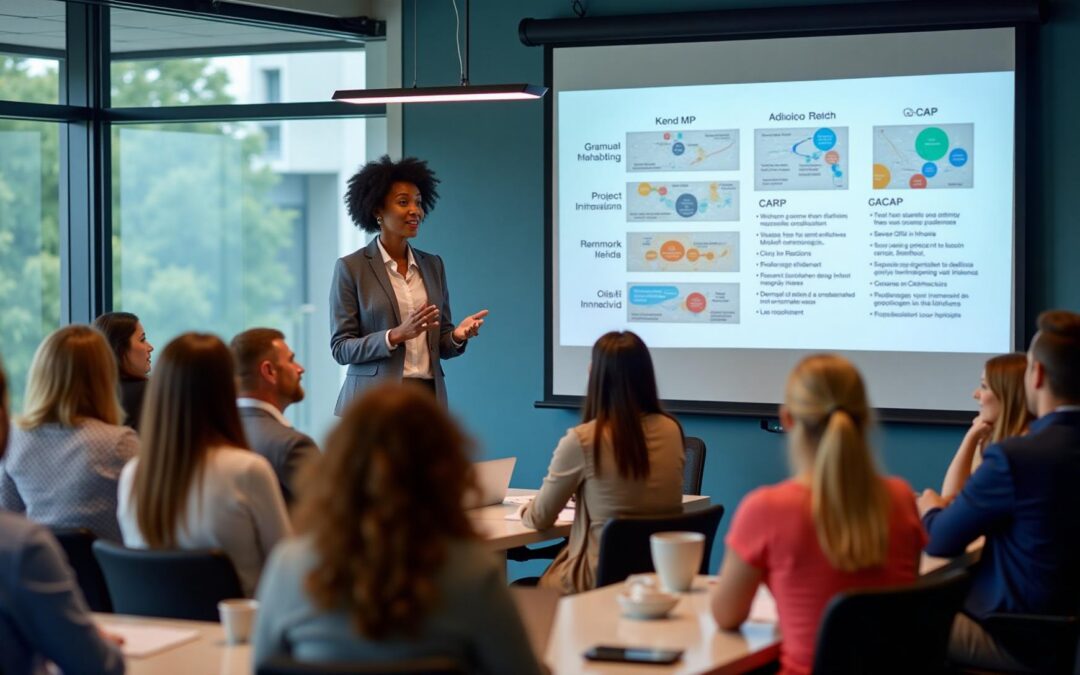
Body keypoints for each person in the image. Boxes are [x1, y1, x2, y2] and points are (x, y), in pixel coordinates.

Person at [252, 384, 542, 673]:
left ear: (337, 468)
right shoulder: (472, 571)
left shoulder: (289, 566)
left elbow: (263, 666)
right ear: (445, 469)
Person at [711, 354, 925, 675]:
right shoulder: (902, 498)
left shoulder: (766, 509)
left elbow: (726, 615)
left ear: (788, 418)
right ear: (864, 417)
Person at [919, 310, 1080, 673]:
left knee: (880, 623)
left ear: (1036, 374)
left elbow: (941, 541)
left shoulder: (1018, 457)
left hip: (1016, 639)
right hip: (1064, 637)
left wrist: (929, 507)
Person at [117, 333, 291, 597]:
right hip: (238, 632)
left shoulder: (132, 475)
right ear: (227, 389)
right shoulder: (248, 471)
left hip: (158, 633)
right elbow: (286, 569)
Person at [520, 331, 685, 594]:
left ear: (596, 375)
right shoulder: (672, 430)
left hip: (595, 581)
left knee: (521, 590)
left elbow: (538, 518)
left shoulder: (584, 440)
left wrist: (525, 508)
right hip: (655, 579)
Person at [329, 155, 488, 412]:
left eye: (418, 203)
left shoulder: (433, 265)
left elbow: (441, 344)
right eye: (403, 202)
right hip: (374, 404)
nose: (415, 210)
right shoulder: (351, 267)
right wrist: (394, 335)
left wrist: (457, 336)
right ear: (377, 210)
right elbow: (341, 348)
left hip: (425, 398)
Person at [0, 356, 126, 675]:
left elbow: (9, 508)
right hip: (113, 599)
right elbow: (99, 666)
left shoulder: (20, 442)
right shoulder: (120, 444)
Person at [0, 325, 138, 542]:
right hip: (105, 573)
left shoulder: (13, 439)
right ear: (103, 377)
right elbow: (152, 523)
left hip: (38, 567)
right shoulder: (120, 443)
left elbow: (7, 520)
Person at [230, 328, 319, 505]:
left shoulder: (222, 434)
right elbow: (338, 512)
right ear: (269, 371)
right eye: (291, 360)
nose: (300, 369)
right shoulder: (292, 446)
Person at [940, 353, 1033, 499]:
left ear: (1008, 395)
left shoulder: (1011, 455)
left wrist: (970, 438)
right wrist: (973, 437)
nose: (975, 394)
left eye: (984, 386)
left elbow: (950, 499)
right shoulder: (990, 439)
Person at [93, 312, 154, 430]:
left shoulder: (89, 394)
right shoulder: (146, 391)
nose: (150, 347)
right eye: (142, 340)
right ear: (120, 349)